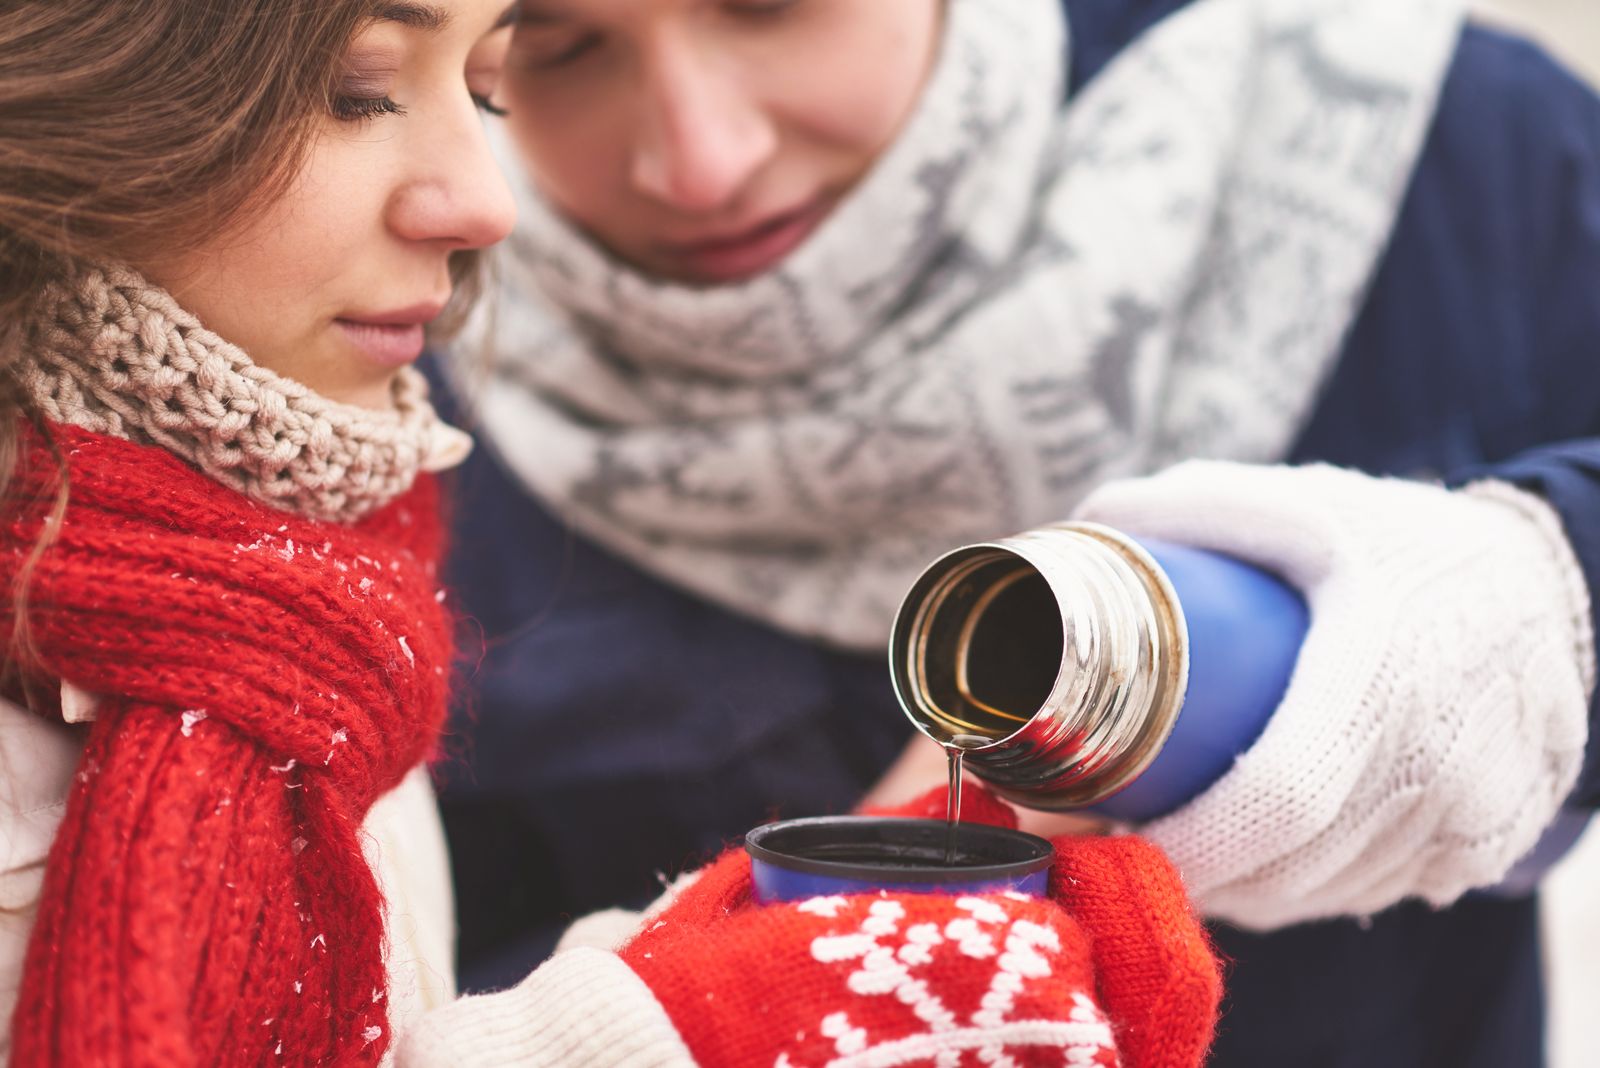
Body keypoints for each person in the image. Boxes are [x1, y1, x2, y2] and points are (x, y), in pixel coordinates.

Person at [0, 1, 1222, 1065]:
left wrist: (768, 948)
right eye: (355, 92)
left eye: (486, 85)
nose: (486, 203)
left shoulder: (313, 579)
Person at [432, 0, 1600, 1064]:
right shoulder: (412, 368)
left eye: (770, 5)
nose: (700, 161)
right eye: (558, 45)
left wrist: (1496, 612)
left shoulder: (1435, 152)